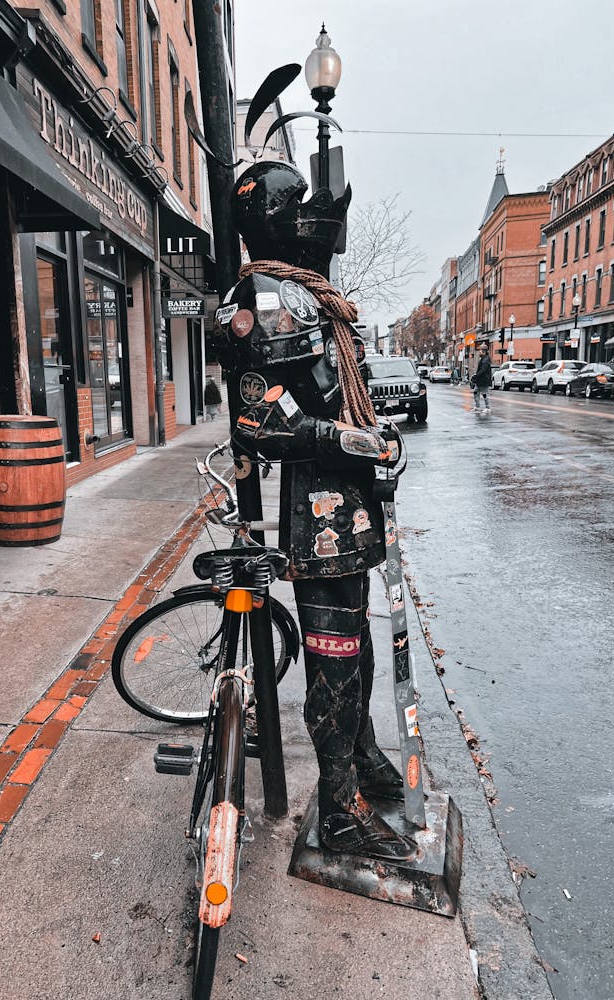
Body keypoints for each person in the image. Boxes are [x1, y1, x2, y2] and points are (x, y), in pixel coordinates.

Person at [215, 160, 414, 861]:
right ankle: (338, 809)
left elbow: (326, 394)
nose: (319, 219)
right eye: (299, 203)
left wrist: (365, 441)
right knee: (334, 657)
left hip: (349, 508)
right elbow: (258, 421)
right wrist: (345, 437)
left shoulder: (312, 296)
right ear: (273, 217)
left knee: (352, 650)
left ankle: (358, 762)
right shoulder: (265, 296)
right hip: (320, 515)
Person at [472, 346, 492, 411]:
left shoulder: (485, 360)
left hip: (484, 380)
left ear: (484, 352)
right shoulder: (483, 359)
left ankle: (488, 407)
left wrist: (476, 375)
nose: (479, 352)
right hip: (480, 380)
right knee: (476, 392)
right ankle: (477, 406)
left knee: (485, 394)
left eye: (480, 351)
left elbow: (483, 370)